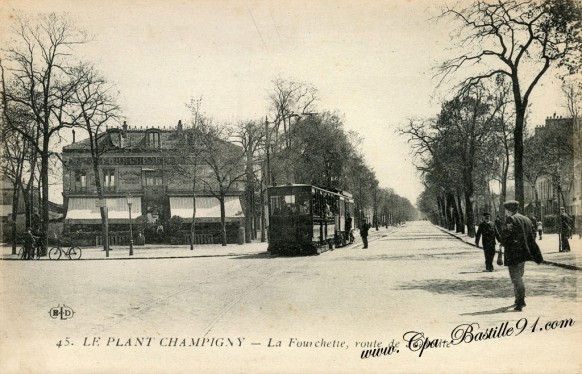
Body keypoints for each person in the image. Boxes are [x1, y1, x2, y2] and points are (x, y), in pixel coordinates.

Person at [500, 200, 541, 311]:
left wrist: (502, 241)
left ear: (508, 210)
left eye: (506, 210)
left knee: (516, 278)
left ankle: (520, 301)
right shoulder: (526, 219)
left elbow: (506, 235)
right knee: (519, 276)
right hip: (523, 253)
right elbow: (533, 234)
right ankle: (518, 298)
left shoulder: (510, 219)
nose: (506, 212)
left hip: (513, 254)